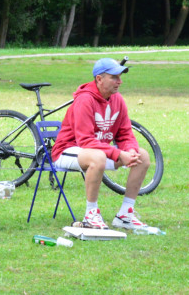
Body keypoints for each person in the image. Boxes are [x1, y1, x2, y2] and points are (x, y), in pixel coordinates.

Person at [50, 58, 154, 231]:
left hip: (96, 151)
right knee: (97, 157)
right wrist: (119, 154)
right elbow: (85, 140)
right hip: (67, 150)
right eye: (114, 77)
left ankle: (125, 214)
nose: (119, 81)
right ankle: (91, 215)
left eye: (120, 77)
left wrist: (130, 151)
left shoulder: (117, 99)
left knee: (142, 156)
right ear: (99, 79)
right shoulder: (84, 100)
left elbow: (125, 133)